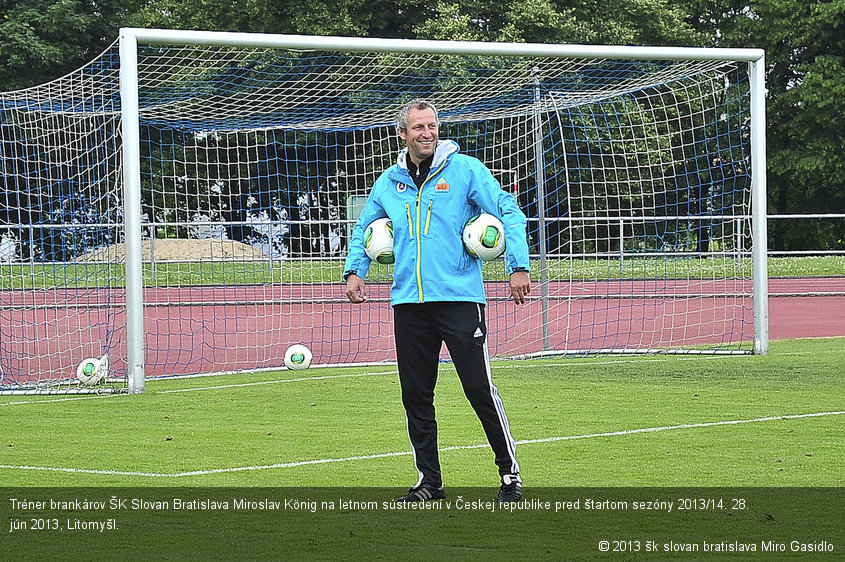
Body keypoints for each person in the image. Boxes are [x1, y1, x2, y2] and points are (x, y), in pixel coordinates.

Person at [343, 98, 531, 503]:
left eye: (432, 126)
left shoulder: (465, 171)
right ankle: (430, 482)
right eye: (418, 128)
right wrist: (355, 270)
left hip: (460, 299)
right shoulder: (389, 182)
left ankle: (509, 474)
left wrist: (518, 265)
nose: (427, 133)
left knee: (478, 388)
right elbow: (363, 229)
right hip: (409, 303)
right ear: (402, 133)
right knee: (416, 395)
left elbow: (509, 212)